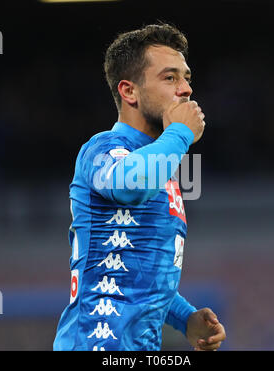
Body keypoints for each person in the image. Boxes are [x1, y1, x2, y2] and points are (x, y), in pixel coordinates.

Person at [53, 23, 226, 351]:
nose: (186, 89)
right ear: (129, 91)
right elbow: (129, 186)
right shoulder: (102, 149)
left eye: (187, 77)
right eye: (170, 77)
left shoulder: (163, 169)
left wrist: (184, 317)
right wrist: (180, 133)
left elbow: (134, 274)